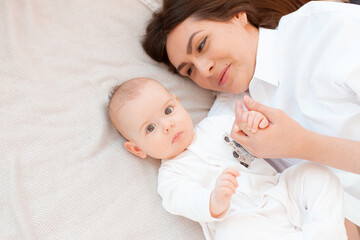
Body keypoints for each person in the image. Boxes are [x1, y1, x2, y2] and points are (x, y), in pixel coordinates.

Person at [141, 0, 360, 233]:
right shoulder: (222, 125)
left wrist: (302, 144)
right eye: (190, 70)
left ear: (238, 15)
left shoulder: (324, 29)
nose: (204, 70)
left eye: (202, 44)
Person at [108, 77, 346, 240]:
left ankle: (324, 233)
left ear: (178, 103)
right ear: (137, 149)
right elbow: (182, 200)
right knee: (232, 233)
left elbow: (254, 139)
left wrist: (257, 124)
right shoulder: (170, 177)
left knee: (314, 174)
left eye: (168, 111)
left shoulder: (217, 125)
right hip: (242, 220)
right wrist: (213, 200)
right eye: (150, 128)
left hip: (279, 190)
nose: (167, 125)